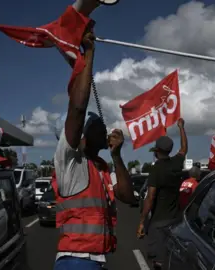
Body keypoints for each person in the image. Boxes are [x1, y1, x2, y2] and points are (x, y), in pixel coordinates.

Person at [52, 22, 135, 270]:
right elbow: (77, 108)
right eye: (99, 129)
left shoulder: (99, 166)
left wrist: (117, 157)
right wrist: (89, 54)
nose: (106, 132)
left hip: (95, 261)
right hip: (76, 262)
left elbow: (128, 197)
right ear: (82, 137)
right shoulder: (70, 161)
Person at [137, 118, 188, 270]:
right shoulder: (176, 163)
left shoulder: (156, 170)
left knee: (158, 262)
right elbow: (184, 148)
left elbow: (150, 197)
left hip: (158, 223)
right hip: (174, 220)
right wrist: (181, 127)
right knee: (170, 258)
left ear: (157, 151)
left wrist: (142, 220)